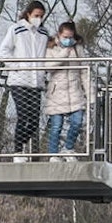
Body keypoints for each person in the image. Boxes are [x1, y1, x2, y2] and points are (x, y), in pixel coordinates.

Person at [0, 0, 51, 160]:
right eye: (36, 15)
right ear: (28, 14)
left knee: (34, 120)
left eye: (41, 16)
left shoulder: (44, 33)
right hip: (19, 80)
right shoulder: (16, 29)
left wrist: (45, 71)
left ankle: (20, 143)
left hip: (36, 82)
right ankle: (18, 151)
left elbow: (46, 54)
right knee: (23, 114)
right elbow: (3, 51)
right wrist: (17, 65)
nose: (38, 19)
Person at [42, 22, 94, 160]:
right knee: (56, 127)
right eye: (65, 36)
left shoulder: (78, 48)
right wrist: (64, 53)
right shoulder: (51, 47)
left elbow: (84, 71)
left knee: (77, 122)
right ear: (59, 34)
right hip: (56, 92)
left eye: (70, 37)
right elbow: (48, 67)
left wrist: (91, 94)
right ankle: (53, 154)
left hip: (75, 91)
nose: (68, 39)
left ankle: (68, 148)